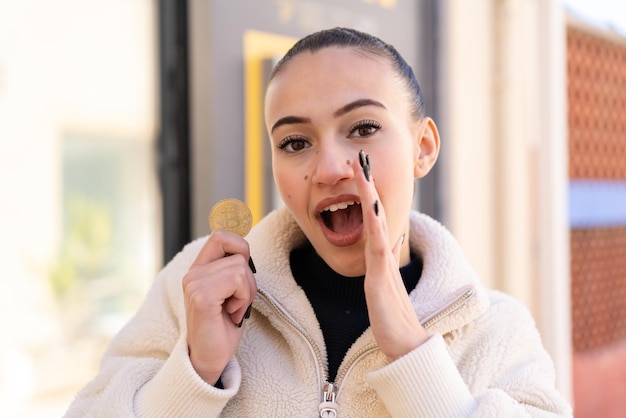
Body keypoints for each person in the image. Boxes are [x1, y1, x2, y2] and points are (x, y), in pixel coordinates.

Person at [65, 27, 572, 417]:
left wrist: (415, 357)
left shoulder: (494, 330)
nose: (329, 168)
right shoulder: (195, 290)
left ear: (423, 147)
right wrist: (194, 373)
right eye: (295, 142)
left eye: (363, 128)